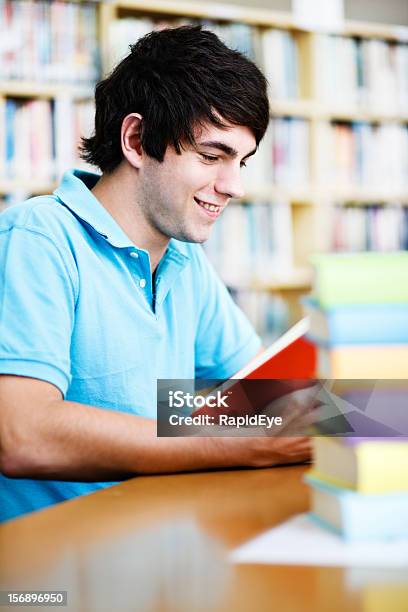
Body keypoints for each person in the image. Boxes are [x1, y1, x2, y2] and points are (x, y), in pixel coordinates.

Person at [0, 26, 311, 522]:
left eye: (242, 161)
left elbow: (267, 397)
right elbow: (22, 434)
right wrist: (233, 442)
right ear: (137, 140)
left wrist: (377, 412)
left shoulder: (184, 261)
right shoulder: (37, 238)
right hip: (51, 572)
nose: (234, 186)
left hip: (159, 537)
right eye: (212, 156)